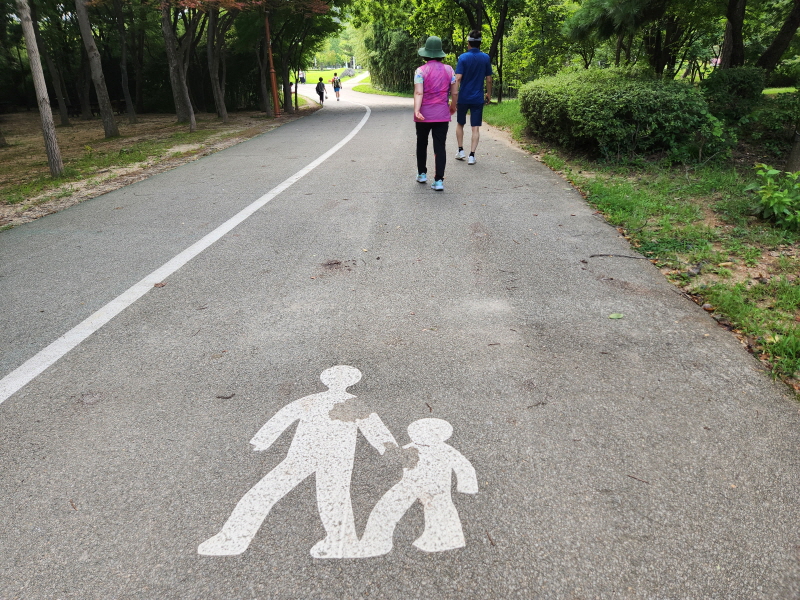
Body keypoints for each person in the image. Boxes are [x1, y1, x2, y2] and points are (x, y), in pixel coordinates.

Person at [197, 366, 398, 558]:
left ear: (351, 382)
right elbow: (284, 416)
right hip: (305, 455)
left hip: (332, 457)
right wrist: (263, 439)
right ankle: (231, 539)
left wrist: (389, 449)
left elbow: (375, 428)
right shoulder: (318, 401)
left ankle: (341, 542)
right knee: (267, 491)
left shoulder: (350, 403)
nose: (337, 382)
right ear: (325, 380)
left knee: (333, 498)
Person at [356, 418, 478, 557]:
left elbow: (464, 467)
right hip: (408, 483)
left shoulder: (446, 450)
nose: (421, 436)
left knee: (441, 510)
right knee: (386, 506)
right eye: (418, 432)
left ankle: (445, 539)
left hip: (436, 487)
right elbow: (395, 461)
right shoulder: (409, 448)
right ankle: (375, 541)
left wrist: (467, 486)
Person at [413, 36, 458, 192]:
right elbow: (455, 92)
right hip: (442, 113)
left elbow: (419, 93)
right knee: (440, 146)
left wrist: (417, 110)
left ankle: (422, 174)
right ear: (440, 53)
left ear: (426, 53)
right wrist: (453, 106)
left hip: (423, 114)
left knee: (422, 143)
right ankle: (439, 181)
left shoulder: (420, 71)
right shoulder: (449, 70)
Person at [454, 30, 493, 165]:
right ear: (480, 43)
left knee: (460, 123)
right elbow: (488, 79)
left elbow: (458, 78)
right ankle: (472, 155)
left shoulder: (463, 58)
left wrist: (454, 95)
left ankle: (460, 151)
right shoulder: (486, 58)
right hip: (477, 98)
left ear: (468, 42)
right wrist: (488, 94)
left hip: (463, 97)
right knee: (475, 127)